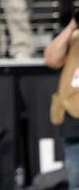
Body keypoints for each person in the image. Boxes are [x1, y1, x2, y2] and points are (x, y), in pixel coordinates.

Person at [43, 18, 79, 190]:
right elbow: (51, 60)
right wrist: (73, 24)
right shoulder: (73, 37)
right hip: (74, 117)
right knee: (75, 181)